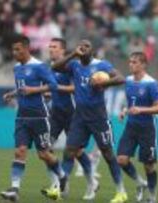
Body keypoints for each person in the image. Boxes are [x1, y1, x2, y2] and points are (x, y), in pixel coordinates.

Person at [51, 39, 128, 203]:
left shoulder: (102, 65)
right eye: (81, 45)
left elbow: (121, 78)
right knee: (69, 151)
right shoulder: (74, 65)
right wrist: (73, 54)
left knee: (108, 154)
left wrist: (103, 82)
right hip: (79, 117)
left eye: (87, 46)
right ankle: (59, 188)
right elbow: (55, 67)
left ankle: (121, 192)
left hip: (98, 116)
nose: (83, 48)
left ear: (92, 50)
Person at [0, 35, 66, 202]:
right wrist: (12, 94)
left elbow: (53, 86)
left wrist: (34, 90)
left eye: (18, 50)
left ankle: (62, 176)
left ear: (27, 49)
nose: (15, 53)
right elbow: (22, 88)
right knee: (20, 151)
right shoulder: (17, 68)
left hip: (40, 117)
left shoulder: (39, 66)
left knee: (44, 154)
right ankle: (14, 189)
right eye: (13, 50)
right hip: (22, 116)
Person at [42, 38, 96, 199]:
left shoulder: (72, 66)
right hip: (56, 114)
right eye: (50, 46)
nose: (51, 49)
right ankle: (57, 183)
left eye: (54, 47)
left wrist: (57, 88)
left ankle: (91, 182)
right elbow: (53, 88)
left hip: (73, 113)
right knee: (45, 149)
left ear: (62, 50)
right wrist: (49, 93)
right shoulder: (50, 68)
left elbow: (77, 87)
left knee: (77, 151)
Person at [117, 52, 158, 203]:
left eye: (135, 62)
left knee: (149, 166)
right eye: (130, 62)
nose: (131, 64)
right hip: (131, 126)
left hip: (147, 129)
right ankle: (139, 182)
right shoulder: (129, 81)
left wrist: (141, 110)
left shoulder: (151, 83)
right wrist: (125, 110)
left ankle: (152, 197)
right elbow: (131, 102)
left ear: (143, 65)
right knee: (121, 160)